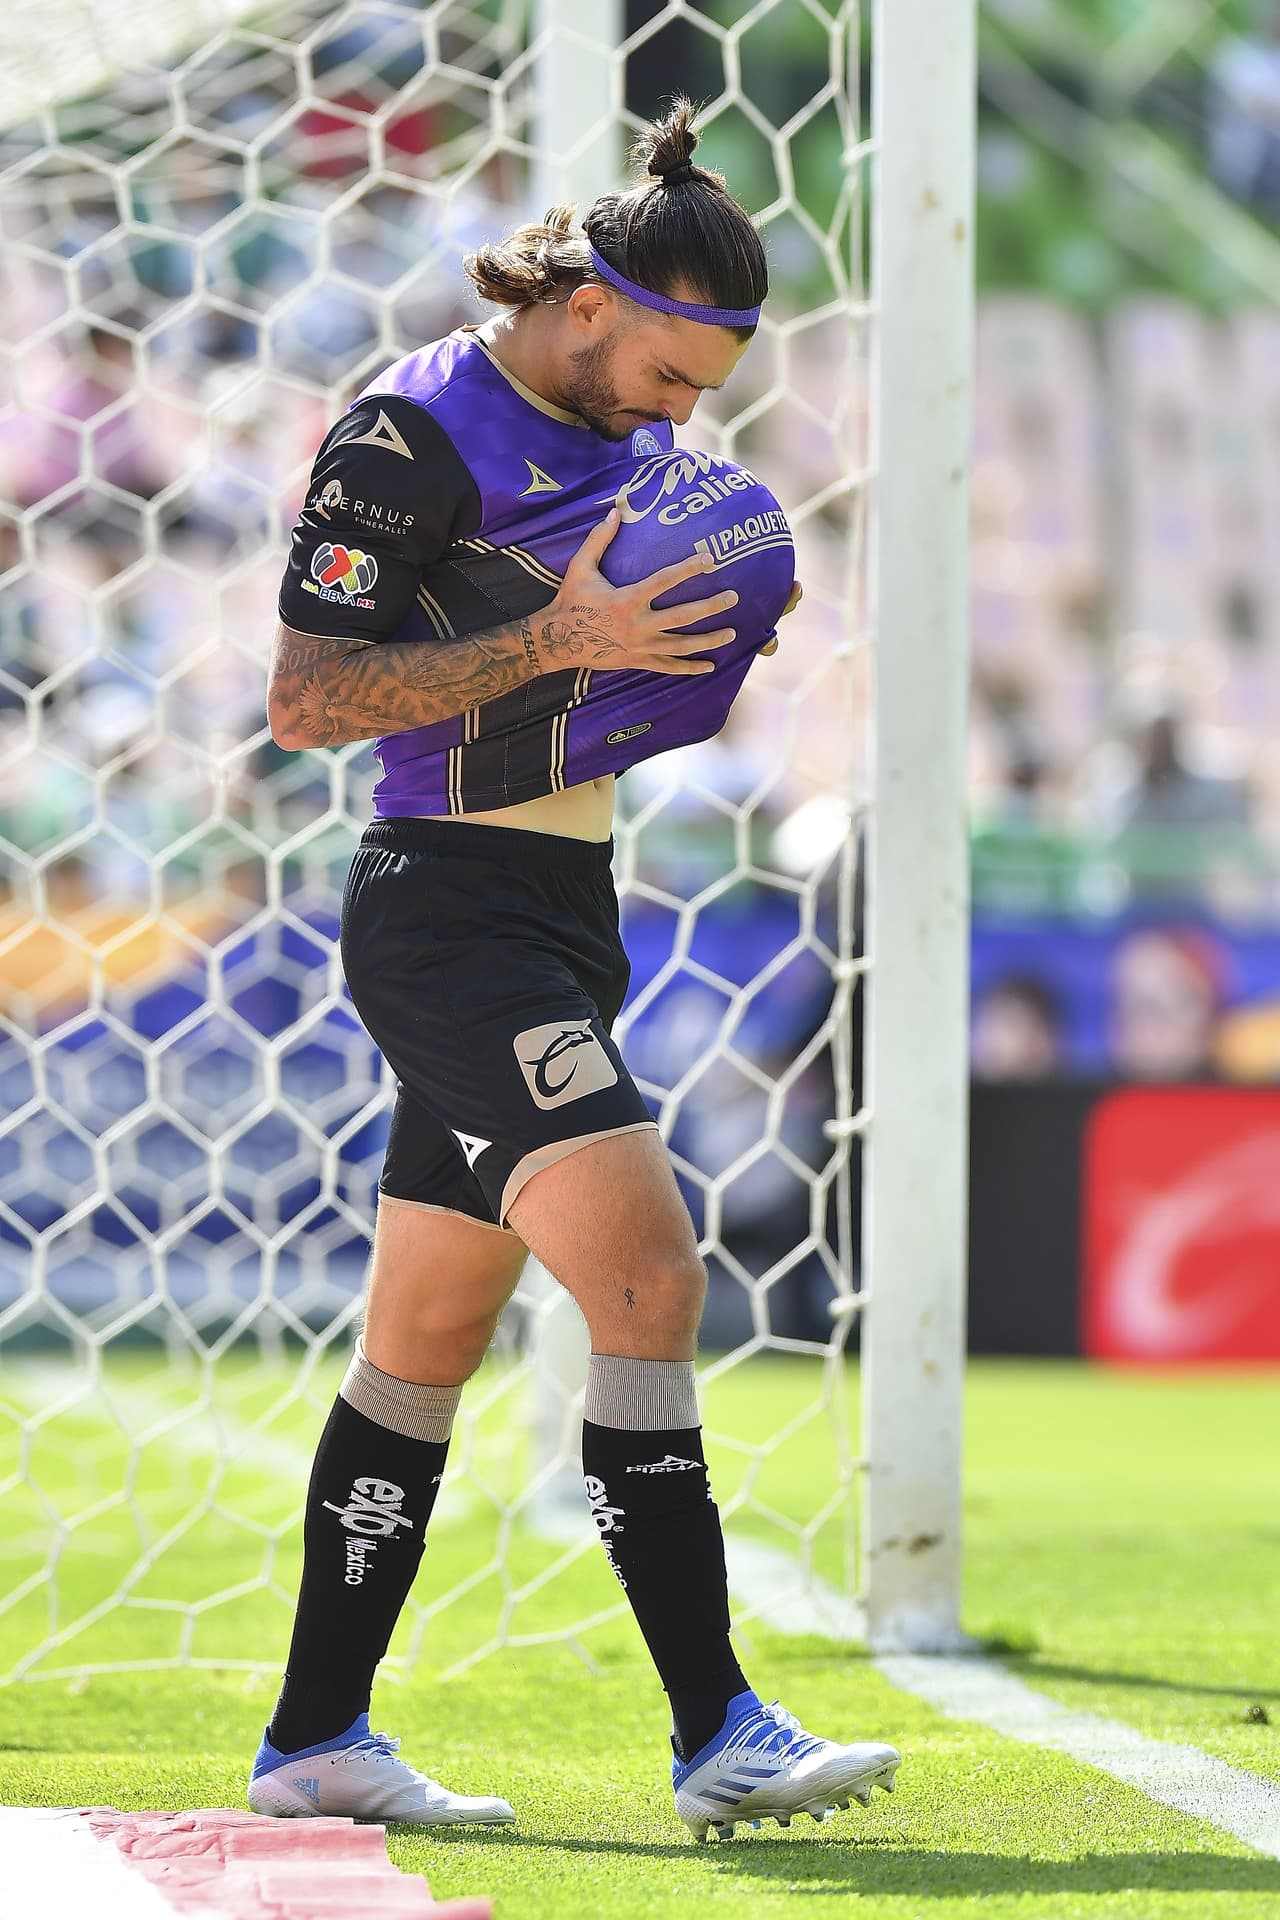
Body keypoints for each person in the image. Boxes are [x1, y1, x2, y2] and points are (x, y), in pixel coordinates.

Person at [249, 99, 901, 1844]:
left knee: (427, 1337)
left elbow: (578, 664)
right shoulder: (408, 430)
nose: (689, 414)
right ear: (592, 304)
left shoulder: (618, 429)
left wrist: (657, 670)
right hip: (446, 914)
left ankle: (316, 1736)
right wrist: (571, 639)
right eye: (676, 374)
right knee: (651, 1281)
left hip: (564, 910)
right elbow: (307, 704)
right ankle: (720, 1730)